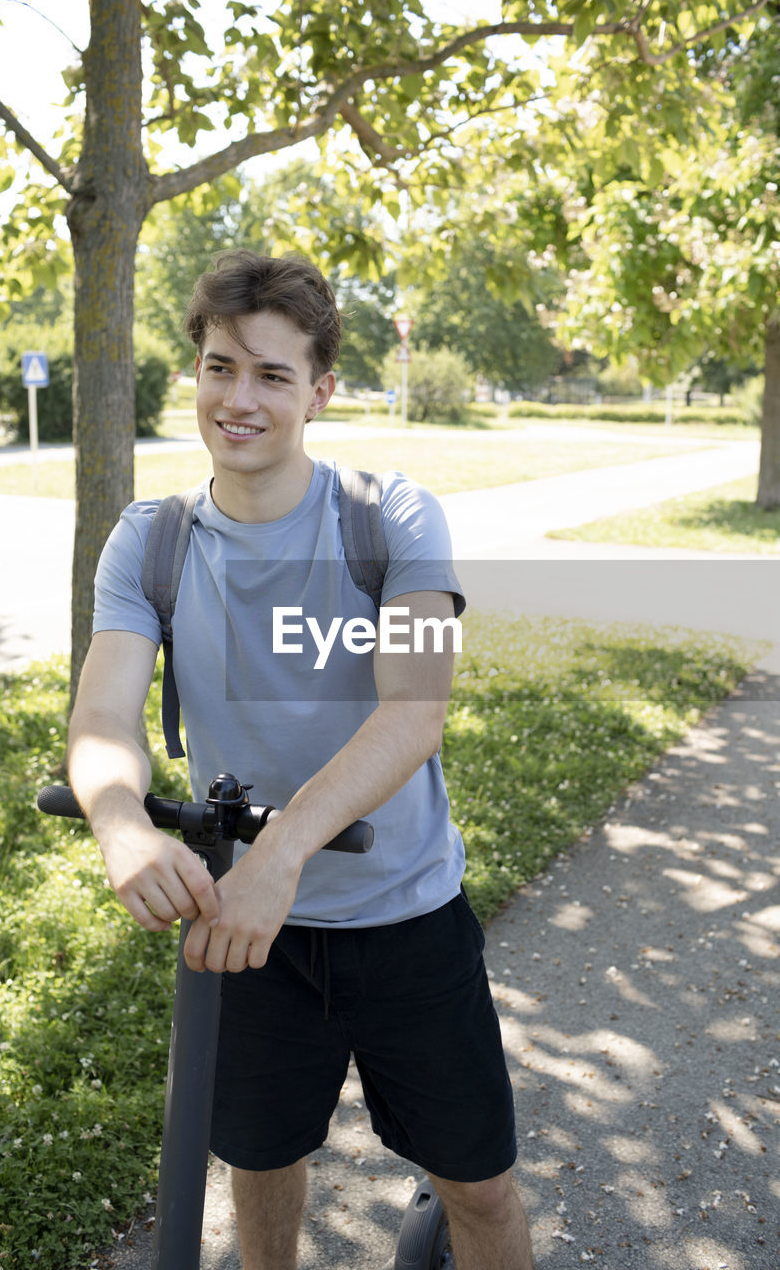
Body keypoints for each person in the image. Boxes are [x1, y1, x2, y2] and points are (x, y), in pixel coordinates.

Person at [67, 249, 534, 1270]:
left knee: (480, 1186)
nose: (239, 399)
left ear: (320, 390)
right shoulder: (149, 541)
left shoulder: (393, 516)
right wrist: (118, 820)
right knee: (259, 1165)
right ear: (193, 369)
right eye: (221, 366)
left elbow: (415, 713)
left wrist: (280, 855)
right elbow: (104, 713)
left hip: (406, 916)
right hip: (247, 935)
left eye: (273, 375)